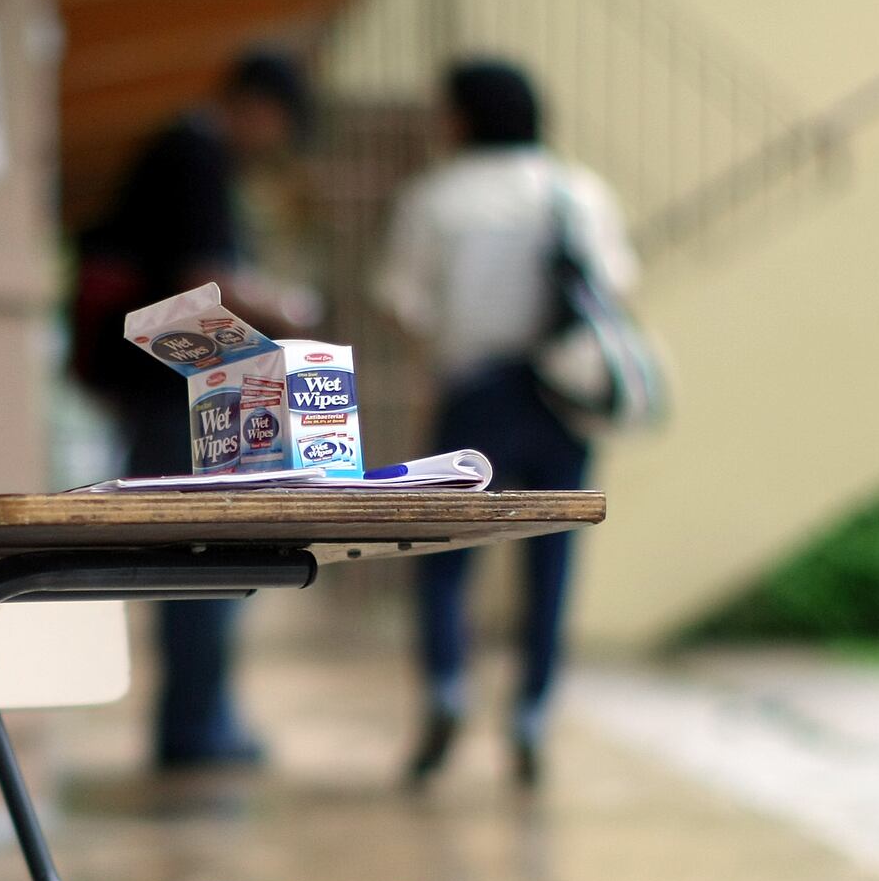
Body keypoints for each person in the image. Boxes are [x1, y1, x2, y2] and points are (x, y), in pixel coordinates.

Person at [375, 58, 638, 791]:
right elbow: (616, 284)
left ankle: (447, 686)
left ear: (462, 116)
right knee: (551, 558)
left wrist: (438, 360)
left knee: (440, 552)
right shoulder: (576, 190)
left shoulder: (436, 197)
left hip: (475, 392)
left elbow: (405, 303)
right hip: (563, 393)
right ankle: (531, 711)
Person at [71, 51, 319, 772]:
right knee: (206, 556)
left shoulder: (178, 151)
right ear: (260, 107)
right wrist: (290, 311)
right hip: (184, 391)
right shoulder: (196, 153)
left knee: (197, 559)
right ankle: (196, 725)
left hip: (170, 388)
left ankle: (199, 718)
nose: (273, 145)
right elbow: (202, 284)